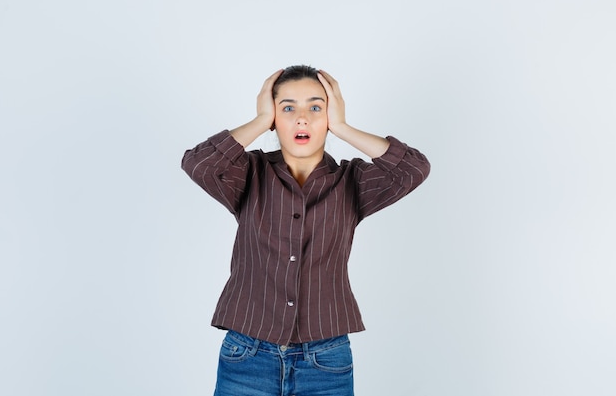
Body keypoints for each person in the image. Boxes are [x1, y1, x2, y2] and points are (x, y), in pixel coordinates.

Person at [181, 65, 430, 396]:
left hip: (325, 361)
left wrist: (342, 127)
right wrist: (258, 122)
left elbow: (413, 169)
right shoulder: (248, 173)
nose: (302, 119)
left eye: (315, 107)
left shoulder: (352, 181)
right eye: (287, 108)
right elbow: (198, 163)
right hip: (247, 355)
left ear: (331, 112)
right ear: (273, 117)